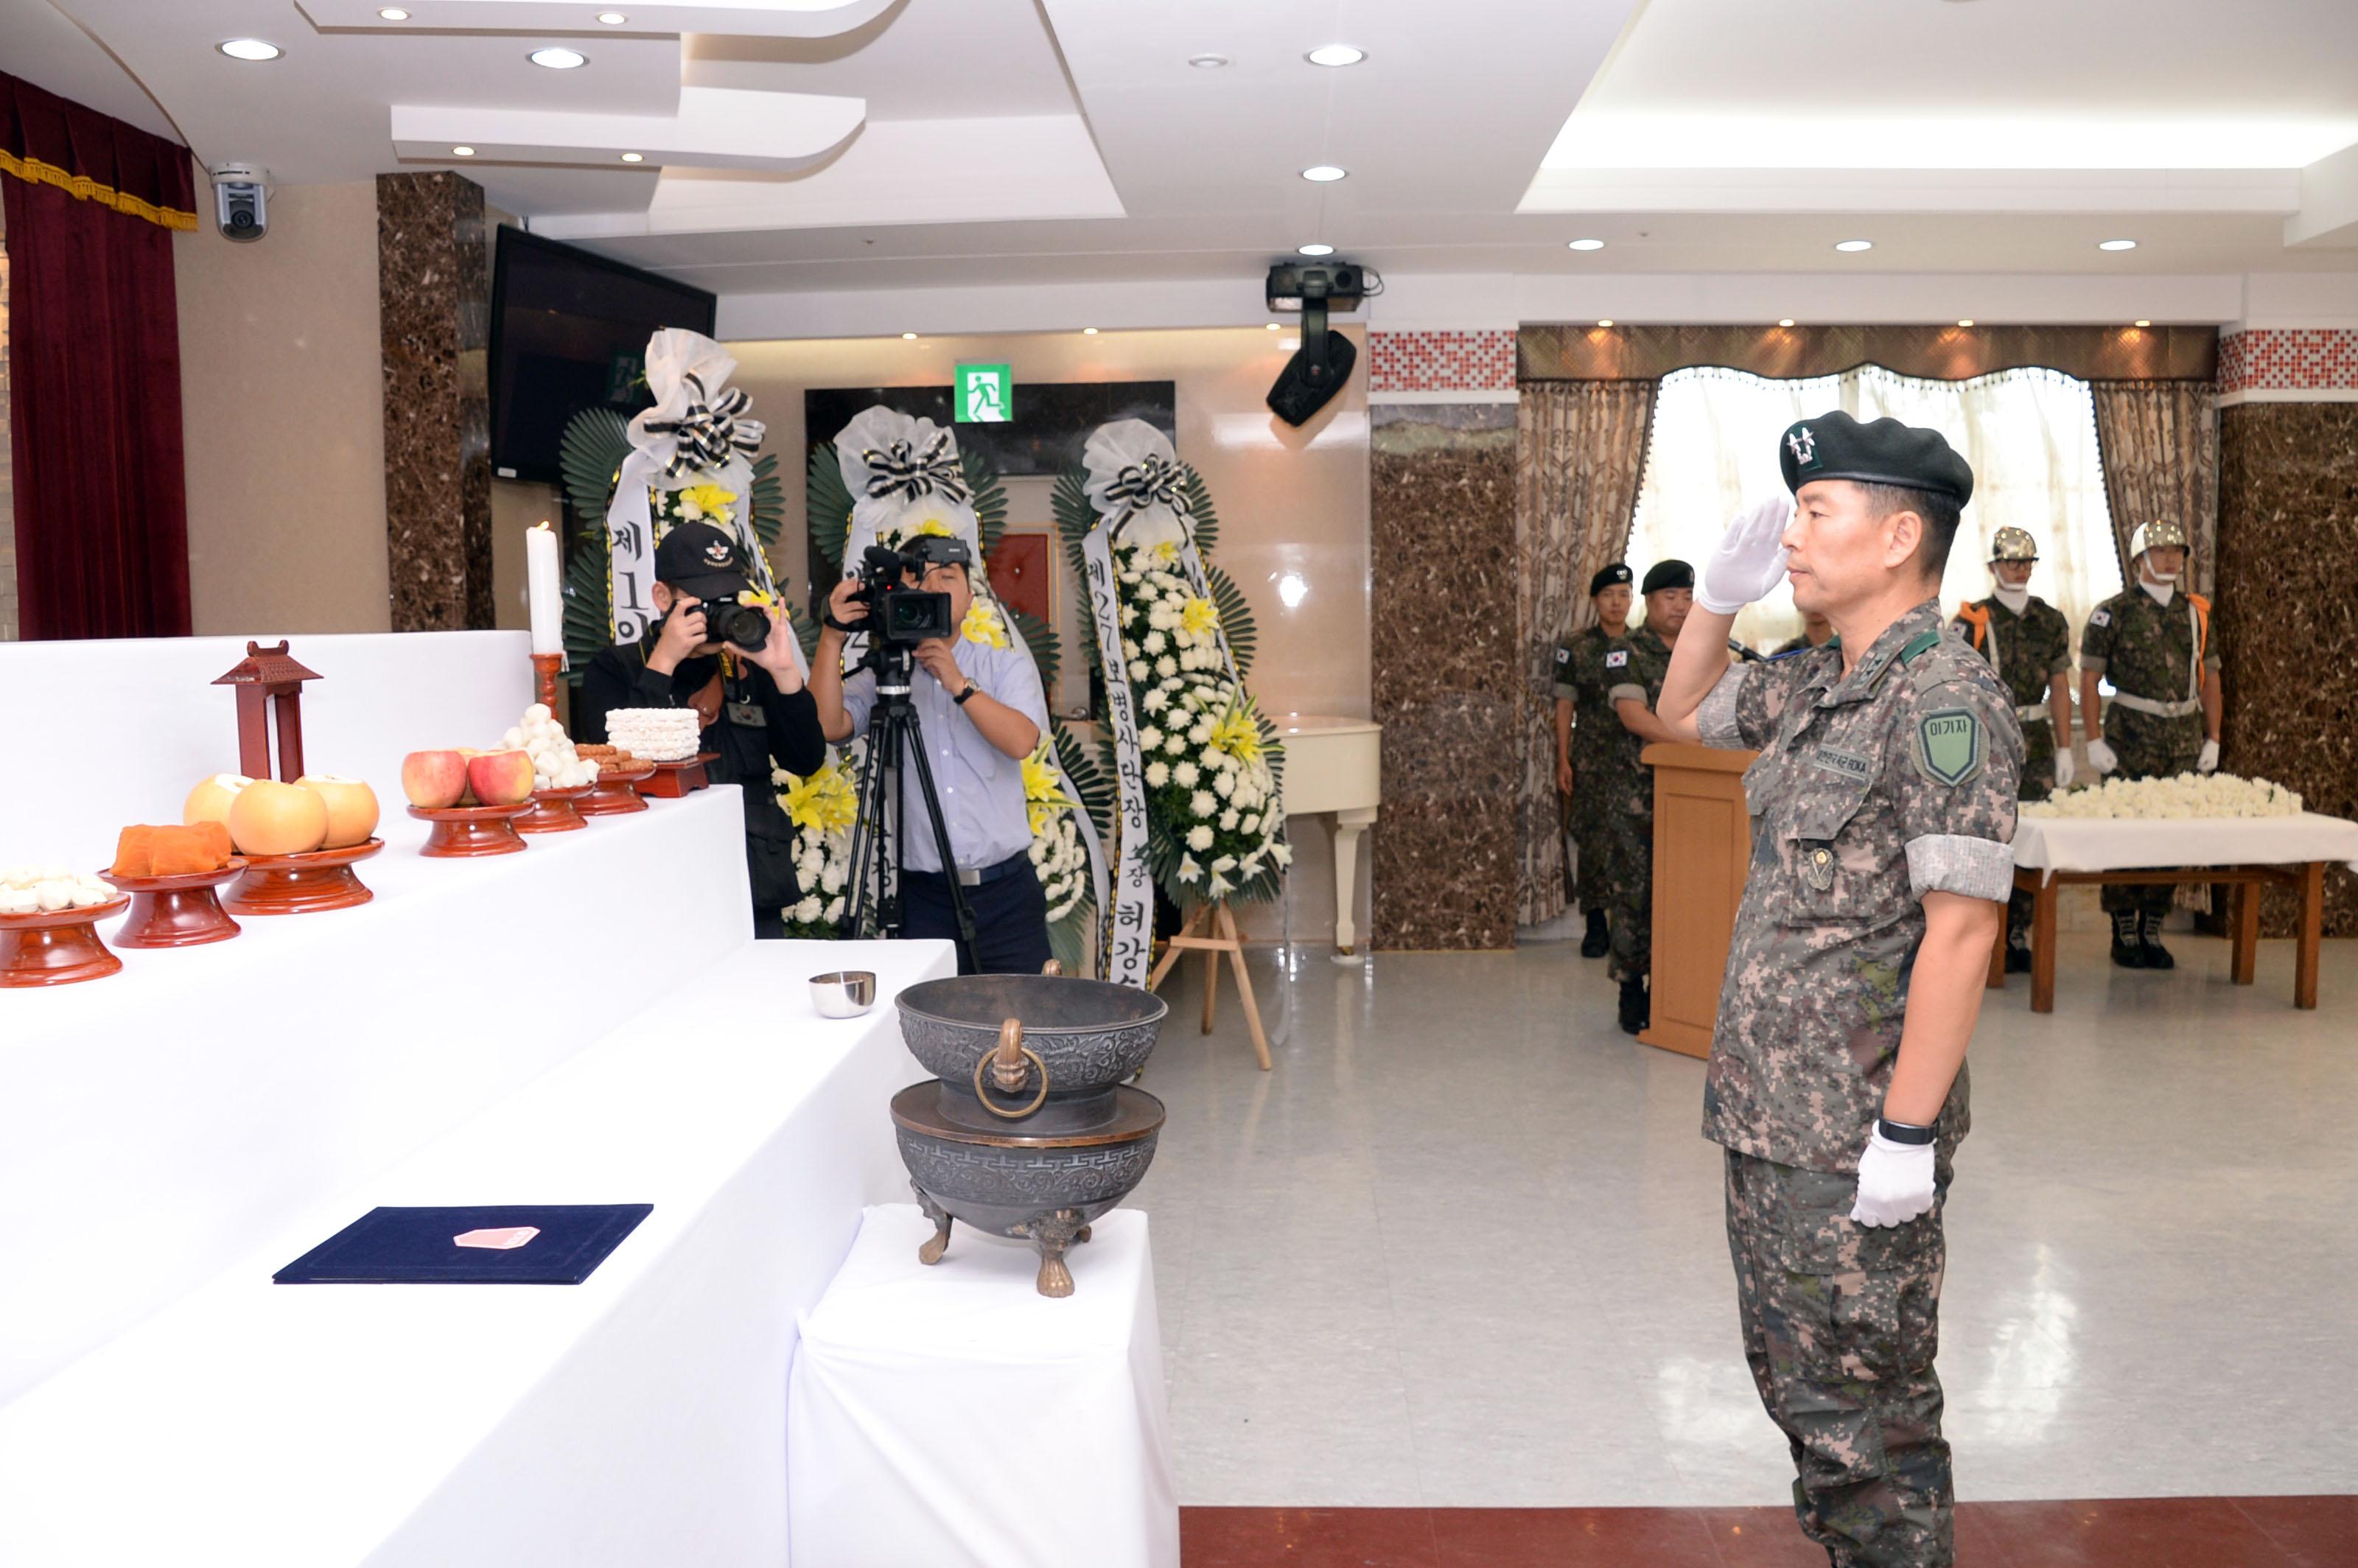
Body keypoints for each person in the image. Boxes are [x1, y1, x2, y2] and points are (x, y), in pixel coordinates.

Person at [1653, 412, 2023, 1568]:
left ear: (1900, 535)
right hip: (1774, 1115)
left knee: (1871, 1413)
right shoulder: (1820, 680)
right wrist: (1716, 600)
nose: (1795, 540)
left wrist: (1906, 1135)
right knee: (1804, 1390)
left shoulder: (1945, 699)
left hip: (1857, 1133)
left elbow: (1964, 932)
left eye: (1819, 514)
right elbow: (1681, 712)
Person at [809, 533, 1054, 975]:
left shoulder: (1004, 666)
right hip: (923, 899)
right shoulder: (885, 672)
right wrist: (831, 636)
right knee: (930, 1030)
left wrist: (957, 682)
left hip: (1006, 894)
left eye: (947, 576)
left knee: (1023, 1022)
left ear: (971, 597)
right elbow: (829, 726)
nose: (934, 588)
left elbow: (1021, 741)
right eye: (918, 579)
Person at [575, 521, 828, 938]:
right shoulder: (615, 669)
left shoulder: (749, 665)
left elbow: (806, 760)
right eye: (703, 602)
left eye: (727, 599)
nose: (718, 613)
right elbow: (616, 770)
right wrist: (663, 664)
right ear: (662, 597)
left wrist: (785, 675)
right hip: (660, 891)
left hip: (750, 885)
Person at [2077, 519, 2222, 970]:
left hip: (2182, 737)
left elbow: (2211, 677)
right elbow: (2088, 678)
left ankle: (2152, 927)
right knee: (2124, 833)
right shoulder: (2113, 612)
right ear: (2139, 558)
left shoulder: (2195, 612)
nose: (2171, 560)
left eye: (2177, 552)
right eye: (2160, 552)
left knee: (2170, 837)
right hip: (2129, 736)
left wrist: (2214, 736)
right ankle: (2123, 927)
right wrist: (2094, 738)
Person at [1951, 526, 2075, 971]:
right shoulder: (1974, 620)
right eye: (2010, 561)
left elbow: (2060, 686)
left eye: (2026, 562)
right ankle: (1985, 935)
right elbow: (1956, 688)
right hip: (1988, 740)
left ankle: (2019, 932)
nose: (2019, 569)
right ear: (1993, 567)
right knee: (1988, 837)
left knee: (2031, 839)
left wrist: (2066, 749)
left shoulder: (2050, 619)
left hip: (2035, 739)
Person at [1599, 560, 1696, 1034]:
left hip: (1696, 800)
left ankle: (1675, 988)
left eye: (1686, 597)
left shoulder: (1703, 652)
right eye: (1669, 597)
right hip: (1637, 798)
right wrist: (1695, 749)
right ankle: (1630, 986)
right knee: (1635, 896)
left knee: (1685, 894)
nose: (1680, 606)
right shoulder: (1625, 651)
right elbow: (1634, 716)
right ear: (1649, 602)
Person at [1553, 563, 1634, 959]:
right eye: (1608, 595)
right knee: (1592, 841)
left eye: (1623, 594)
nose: (1616, 603)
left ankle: (1630, 924)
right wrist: (1562, 759)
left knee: (1634, 841)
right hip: (1591, 758)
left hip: (1638, 760)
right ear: (1595, 601)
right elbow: (1565, 703)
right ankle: (1597, 924)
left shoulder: (1644, 646)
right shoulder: (1577, 646)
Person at [1769, 607, 1834, 657]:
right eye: (1810, 600)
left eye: (1822, 600)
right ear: (1798, 606)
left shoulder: (1842, 650)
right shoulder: (1784, 655)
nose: (1816, 606)